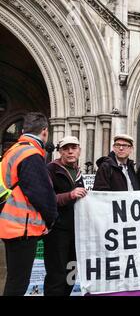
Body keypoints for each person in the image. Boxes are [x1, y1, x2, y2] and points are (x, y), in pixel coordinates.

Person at [0, 112, 58, 296]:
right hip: (22, 228)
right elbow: (41, 193)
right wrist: (51, 218)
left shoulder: (14, 149)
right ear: (44, 131)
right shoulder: (31, 154)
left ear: (24, 130)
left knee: (14, 279)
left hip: (11, 226)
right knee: (18, 283)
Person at [44, 136, 87, 296]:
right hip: (57, 231)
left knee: (71, 273)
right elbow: (47, 199)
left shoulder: (78, 171)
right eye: (66, 148)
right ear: (60, 151)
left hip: (75, 232)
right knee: (57, 275)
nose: (70, 151)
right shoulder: (51, 169)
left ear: (79, 150)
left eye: (74, 148)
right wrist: (70, 195)